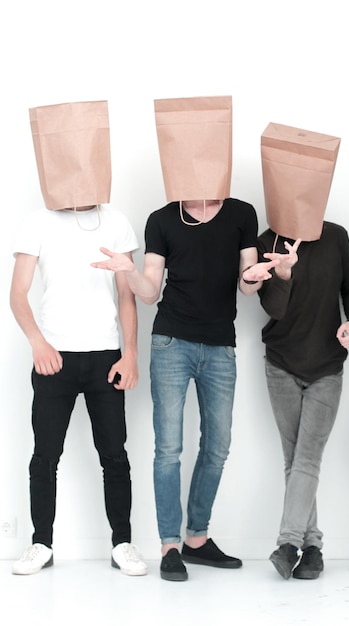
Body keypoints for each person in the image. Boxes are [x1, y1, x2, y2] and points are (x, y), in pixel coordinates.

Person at [93, 197, 278, 581]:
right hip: (171, 343)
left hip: (220, 345)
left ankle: (197, 539)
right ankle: (170, 547)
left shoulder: (241, 214)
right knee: (169, 449)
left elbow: (245, 286)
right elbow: (149, 292)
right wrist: (129, 270)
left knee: (218, 445)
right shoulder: (161, 218)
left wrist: (253, 275)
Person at [10, 203, 147, 576]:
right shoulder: (37, 220)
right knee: (45, 454)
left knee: (114, 453)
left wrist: (130, 353)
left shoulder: (116, 221)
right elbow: (17, 293)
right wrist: (38, 343)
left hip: (105, 355)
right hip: (54, 354)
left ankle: (122, 543)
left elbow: (126, 296)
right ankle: (41, 543)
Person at [257, 223, 349, 580]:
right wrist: (283, 274)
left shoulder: (336, 236)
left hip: (327, 367)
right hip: (282, 365)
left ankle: (288, 545)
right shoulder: (266, 242)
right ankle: (314, 548)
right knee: (296, 460)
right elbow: (273, 307)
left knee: (306, 458)